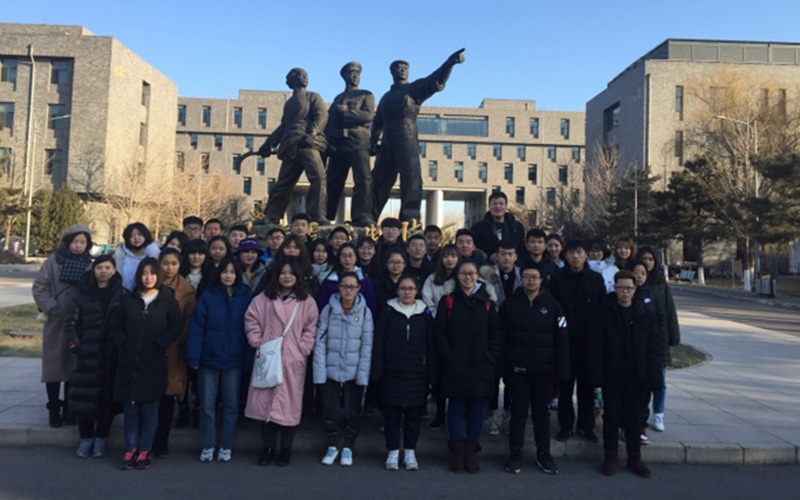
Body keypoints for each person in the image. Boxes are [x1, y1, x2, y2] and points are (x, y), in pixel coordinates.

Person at [370, 49, 465, 222]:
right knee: (379, 178)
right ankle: (370, 214)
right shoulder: (385, 97)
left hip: (407, 134)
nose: (402, 70)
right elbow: (377, 122)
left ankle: (410, 215)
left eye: (405, 67)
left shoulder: (413, 89)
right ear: (392, 72)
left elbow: (435, 81)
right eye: (398, 67)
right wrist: (372, 143)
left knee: (411, 174)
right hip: (388, 139)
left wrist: (449, 63)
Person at [589, 270, 663, 478]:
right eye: (621, 288)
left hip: (637, 375)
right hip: (612, 374)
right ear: (615, 288)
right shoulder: (604, 312)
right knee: (612, 416)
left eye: (629, 288)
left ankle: (634, 458)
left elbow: (654, 347)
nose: (625, 292)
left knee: (635, 418)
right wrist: (596, 376)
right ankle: (610, 456)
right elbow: (595, 347)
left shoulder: (644, 313)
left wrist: (654, 376)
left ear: (635, 289)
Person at [245, 259, 319, 467]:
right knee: (265, 407)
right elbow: (251, 319)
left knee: (289, 407)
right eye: (283, 272)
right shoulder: (263, 299)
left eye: (291, 273)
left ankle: (286, 450)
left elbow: (311, 327)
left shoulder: (306, 302)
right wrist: (257, 341)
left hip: (292, 361)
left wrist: (302, 348)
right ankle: (267, 448)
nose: (287, 276)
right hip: (268, 357)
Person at [113, 258, 182, 470]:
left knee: (150, 408)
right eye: (144, 273)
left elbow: (176, 326)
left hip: (154, 361)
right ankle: (130, 449)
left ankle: (145, 449)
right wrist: (123, 343)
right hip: (129, 362)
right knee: (131, 407)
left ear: (158, 276)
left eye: (153, 273)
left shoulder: (167, 300)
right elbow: (115, 326)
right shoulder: (129, 299)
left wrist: (161, 343)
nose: (148, 277)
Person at [499, 265, 569, 475]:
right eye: (526, 277)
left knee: (541, 414)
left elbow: (562, 341)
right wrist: (503, 369)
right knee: (518, 413)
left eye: (534, 277)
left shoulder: (554, 306)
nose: (530, 280)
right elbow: (501, 339)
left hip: (544, 371)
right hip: (517, 370)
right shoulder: (509, 305)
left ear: (541, 280)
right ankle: (515, 454)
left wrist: (562, 370)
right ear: (521, 279)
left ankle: (544, 454)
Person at [435, 259, 501, 474]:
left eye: (472, 274)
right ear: (457, 275)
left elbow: (495, 333)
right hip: (455, 363)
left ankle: (471, 450)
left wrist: (491, 356)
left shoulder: (487, 301)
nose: (468, 277)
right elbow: (440, 332)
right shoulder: (448, 300)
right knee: (454, 407)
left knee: (476, 409)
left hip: (481, 364)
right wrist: (447, 355)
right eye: (463, 273)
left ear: (477, 276)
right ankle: (457, 450)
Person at [186, 257, 252, 463]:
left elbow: (251, 330)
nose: (228, 275)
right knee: (207, 405)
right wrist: (193, 356)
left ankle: (226, 445)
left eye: (232, 272)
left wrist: (249, 360)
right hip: (208, 358)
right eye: (225, 271)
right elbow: (196, 329)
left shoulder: (245, 297)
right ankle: (207, 445)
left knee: (231, 405)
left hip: (234, 360)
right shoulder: (208, 296)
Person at [33, 224, 94, 428]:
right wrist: (52, 307)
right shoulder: (52, 263)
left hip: (78, 321)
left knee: (73, 367)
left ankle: (70, 408)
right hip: (56, 320)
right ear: (68, 242)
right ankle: (53, 407)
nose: (78, 246)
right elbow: (40, 288)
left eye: (83, 242)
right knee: (53, 367)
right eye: (75, 241)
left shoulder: (89, 265)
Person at [372, 275, 435, 471]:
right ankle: (392, 452)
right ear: (397, 291)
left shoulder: (424, 313)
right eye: (403, 288)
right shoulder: (388, 311)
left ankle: (410, 452)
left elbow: (431, 345)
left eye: (410, 288)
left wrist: (431, 374)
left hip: (417, 373)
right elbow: (379, 342)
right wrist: (377, 371)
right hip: (392, 373)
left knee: (413, 417)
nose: (406, 292)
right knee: (392, 416)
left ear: (416, 291)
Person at [64, 255, 125, 458]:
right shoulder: (82, 294)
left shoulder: (121, 295)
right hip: (87, 354)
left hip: (111, 355)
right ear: (94, 270)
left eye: (108, 267)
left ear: (114, 270)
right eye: (100, 267)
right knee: (84, 398)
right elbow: (70, 324)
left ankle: (101, 439)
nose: (103, 271)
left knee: (107, 400)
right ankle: (86, 438)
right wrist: (76, 346)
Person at [314, 271, 374, 467]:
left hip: (354, 370)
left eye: (352, 287)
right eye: (344, 286)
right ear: (338, 287)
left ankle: (348, 446)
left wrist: (363, 375)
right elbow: (320, 343)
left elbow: (367, 346)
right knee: (330, 410)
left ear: (358, 288)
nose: (348, 290)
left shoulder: (365, 312)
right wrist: (320, 372)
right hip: (331, 369)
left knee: (352, 411)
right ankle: (332, 445)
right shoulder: (328, 310)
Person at [550, 239, 607, 444]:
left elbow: (602, 311)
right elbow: (554, 310)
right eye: (572, 252)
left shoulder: (595, 279)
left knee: (587, 387)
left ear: (586, 254)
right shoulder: (556, 279)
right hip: (565, 342)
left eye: (580, 252)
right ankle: (565, 426)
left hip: (589, 343)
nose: (575, 256)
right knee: (565, 387)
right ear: (565, 255)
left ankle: (585, 426)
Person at [257, 67, 330, 225]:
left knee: (318, 177)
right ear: (290, 81)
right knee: (284, 182)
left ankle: (316, 214)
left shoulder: (313, 96)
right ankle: (272, 215)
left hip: (307, 143)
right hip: (291, 145)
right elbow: (284, 126)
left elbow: (322, 115)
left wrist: (312, 134)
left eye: (305, 75)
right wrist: (268, 143)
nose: (304, 77)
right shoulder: (290, 103)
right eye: (299, 75)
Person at [153, 248, 197, 458]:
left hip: (173, 348)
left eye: (174, 264)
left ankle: (161, 441)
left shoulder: (186, 290)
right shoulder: (149, 282)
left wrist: (175, 340)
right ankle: (145, 441)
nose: (169, 268)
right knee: (149, 395)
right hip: (149, 347)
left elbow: (189, 321)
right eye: (165, 263)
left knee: (168, 395)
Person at [324, 62, 376, 226]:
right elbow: (330, 123)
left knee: (363, 178)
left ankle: (362, 215)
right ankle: (325, 214)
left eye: (357, 74)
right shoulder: (338, 98)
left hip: (358, 140)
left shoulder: (366, 94)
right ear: (345, 77)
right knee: (332, 181)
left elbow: (368, 116)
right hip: (339, 144)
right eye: (351, 73)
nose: (354, 76)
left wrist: (345, 113)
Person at [635, 246, 680, 432]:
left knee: (659, 381)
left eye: (650, 259)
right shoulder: (632, 283)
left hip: (658, 340)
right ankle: (641, 416)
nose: (647, 262)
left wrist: (673, 337)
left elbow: (670, 312)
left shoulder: (661, 283)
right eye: (644, 259)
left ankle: (659, 414)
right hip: (639, 342)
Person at [421, 243, 460, 430]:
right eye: (446, 256)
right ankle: (439, 413)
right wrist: (442, 320)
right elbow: (428, 303)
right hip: (438, 329)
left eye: (453, 256)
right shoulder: (432, 279)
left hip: (460, 333)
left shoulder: (464, 278)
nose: (450, 260)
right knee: (438, 373)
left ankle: (455, 414)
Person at [484, 239, 520, 436]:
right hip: (492, 329)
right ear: (496, 256)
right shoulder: (487, 275)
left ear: (516, 256)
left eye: (510, 254)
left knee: (512, 376)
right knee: (493, 374)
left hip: (515, 330)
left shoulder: (522, 276)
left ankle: (507, 412)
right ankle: (493, 414)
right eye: (502, 254)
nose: (506, 258)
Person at [317, 242, 377, 319]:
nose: (347, 259)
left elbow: (371, 306)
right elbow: (322, 305)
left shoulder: (364, 281)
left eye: (350, 255)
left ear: (356, 257)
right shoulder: (330, 280)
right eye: (344, 256)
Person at [471, 191, 525, 263]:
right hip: (486, 268)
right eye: (494, 203)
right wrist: (488, 257)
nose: (498, 206)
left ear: (506, 206)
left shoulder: (517, 227)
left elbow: (522, 250)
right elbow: (474, 250)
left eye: (501, 203)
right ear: (489, 206)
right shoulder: (478, 227)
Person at [113, 222, 161, 291]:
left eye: (140, 234)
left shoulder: (154, 255)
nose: (136, 238)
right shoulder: (119, 256)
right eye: (131, 236)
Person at [374, 248, 407, 314]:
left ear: (404, 264)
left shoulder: (410, 282)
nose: (395, 265)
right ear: (386, 264)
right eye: (392, 262)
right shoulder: (378, 283)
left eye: (399, 262)